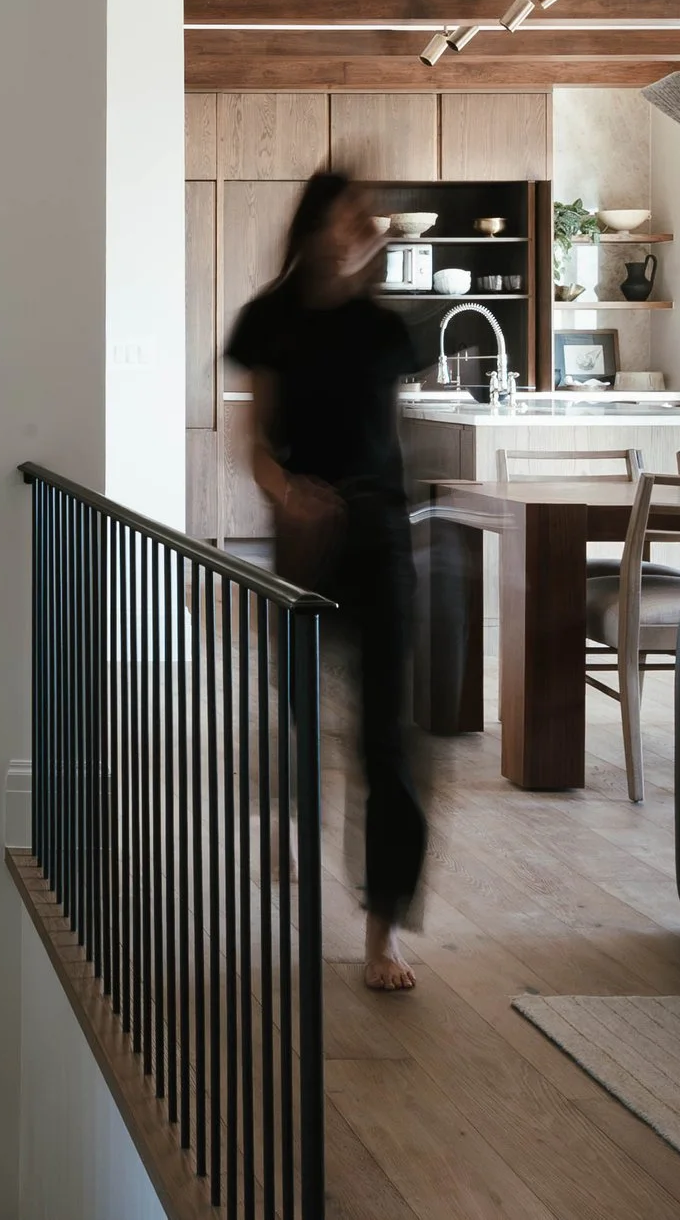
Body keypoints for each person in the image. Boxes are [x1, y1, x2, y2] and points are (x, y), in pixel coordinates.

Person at [224, 168, 428, 992]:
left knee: (387, 737)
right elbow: (253, 442)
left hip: (381, 536)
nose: (358, 234)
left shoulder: (384, 328)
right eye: (347, 220)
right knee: (300, 707)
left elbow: (395, 438)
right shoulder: (266, 323)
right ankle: (285, 815)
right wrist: (288, 495)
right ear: (312, 227)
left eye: (366, 224)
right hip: (304, 540)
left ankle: (382, 933)